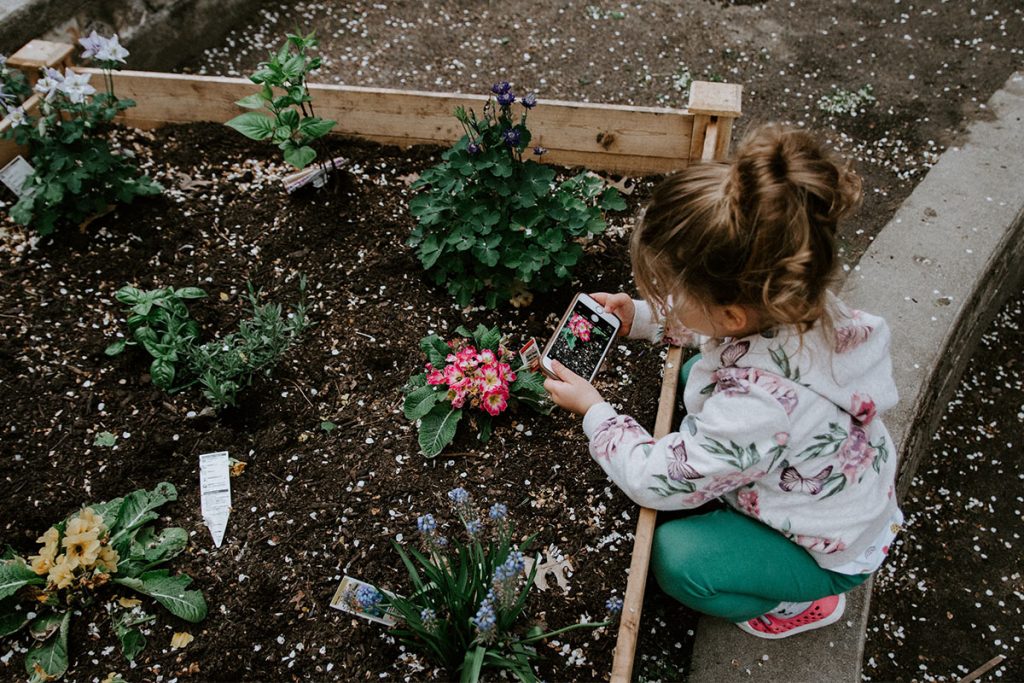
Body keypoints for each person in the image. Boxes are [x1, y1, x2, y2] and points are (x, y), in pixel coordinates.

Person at [543, 124, 902, 639]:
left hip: (824, 548)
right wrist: (643, 318)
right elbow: (720, 329)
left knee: (678, 559)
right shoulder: (801, 303)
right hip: (834, 489)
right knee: (695, 373)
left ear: (732, 313)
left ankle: (794, 603)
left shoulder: (755, 408)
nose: (665, 294)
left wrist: (595, 411)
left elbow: (655, 481)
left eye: (671, 289)